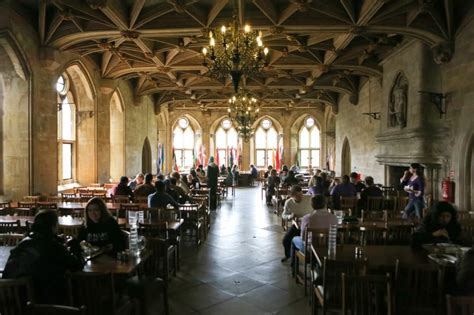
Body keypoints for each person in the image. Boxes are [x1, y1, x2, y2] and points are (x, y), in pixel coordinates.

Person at [2, 210, 84, 304]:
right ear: (53, 227)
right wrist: (75, 247)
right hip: (45, 303)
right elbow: (77, 265)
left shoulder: (23, 243)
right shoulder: (54, 246)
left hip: (15, 301)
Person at [290, 195, 337, 266]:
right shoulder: (334, 218)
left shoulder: (307, 218)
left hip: (310, 250)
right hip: (327, 248)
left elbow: (303, 237)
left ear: (312, 205)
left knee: (294, 239)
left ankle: (293, 268)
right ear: (325, 204)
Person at [281, 185, 313, 262]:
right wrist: (290, 216)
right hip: (297, 225)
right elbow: (283, 215)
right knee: (286, 240)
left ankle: (310, 257)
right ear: (292, 195)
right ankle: (288, 255)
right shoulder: (289, 202)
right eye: (297, 196)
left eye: (301, 194)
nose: (300, 197)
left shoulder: (309, 198)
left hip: (310, 225)